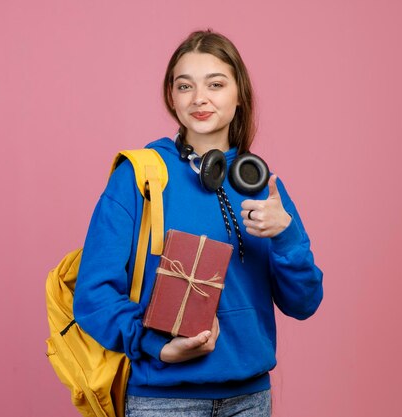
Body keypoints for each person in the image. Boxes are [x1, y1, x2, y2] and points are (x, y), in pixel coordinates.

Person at [73, 29, 323, 417]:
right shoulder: (139, 176)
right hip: (164, 400)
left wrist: (286, 234)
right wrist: (154, 345)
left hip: (250, 398)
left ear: (239, 94)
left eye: (216, 84)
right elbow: (93, 295)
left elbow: (304, 302)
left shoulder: (261, 184)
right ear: (171, 97)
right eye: (184, 86)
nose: (199, 98)